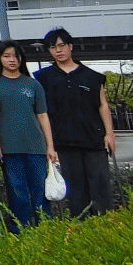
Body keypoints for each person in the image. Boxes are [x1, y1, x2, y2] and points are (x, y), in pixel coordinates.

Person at [35, 28, 115, 218]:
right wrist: (49, 145)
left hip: (94, 140)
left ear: (70, 46)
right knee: (75, 190)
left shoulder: (93, 77)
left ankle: (106, 224)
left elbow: (103, 105)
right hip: (64, 143)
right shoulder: (42, 78)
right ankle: (81, 226)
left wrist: (109, 133)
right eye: (53, 47)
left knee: (101, 186)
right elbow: (40, 112)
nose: (58, 50)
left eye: (62, 45)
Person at [0, 40, 57, 231]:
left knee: (40, 190)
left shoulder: (33, 84)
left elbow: (42, 115)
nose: (12, 60)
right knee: (17, 192)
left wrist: (50, 146)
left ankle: (46, 229)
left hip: (36, 147)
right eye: (6, 56)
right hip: (9, 148)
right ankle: (20, 231)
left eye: (15, 56)